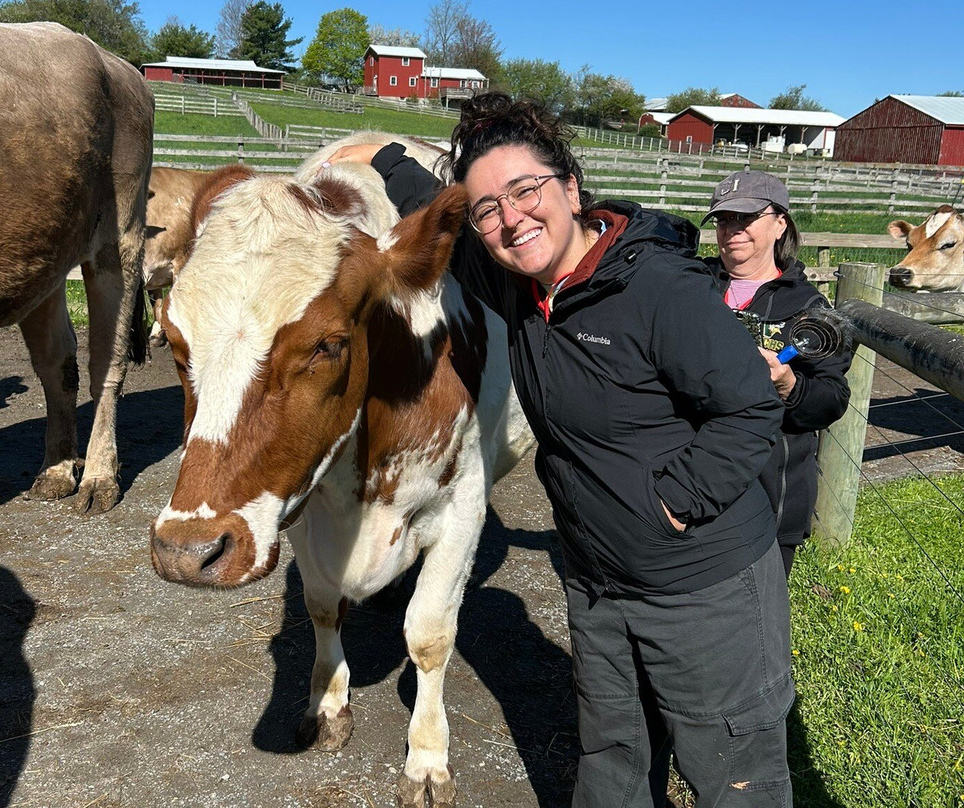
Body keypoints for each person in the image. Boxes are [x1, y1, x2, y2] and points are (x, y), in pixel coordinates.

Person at [327, 93, 794, 807]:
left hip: (704, 586)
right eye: (489, 208)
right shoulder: (516, 283)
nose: (510, 217)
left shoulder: (657, 288)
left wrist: (671, 503)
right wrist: (381, 155)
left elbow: (751, 407)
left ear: (572, 189)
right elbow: (439, 205)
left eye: (526, 190)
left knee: (730, 777)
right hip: (599, 585)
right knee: (611, 767)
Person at [701, 171, 851, 577]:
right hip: (688, 490)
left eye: (745, 217)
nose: (732, 230)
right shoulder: (691, 287)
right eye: (723, 219)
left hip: (770, 498)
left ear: (780, 222)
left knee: (759, 631)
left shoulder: (809, 307)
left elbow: (830, 399)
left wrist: (787, 384)